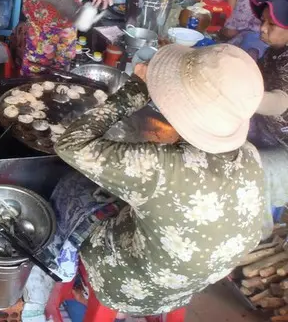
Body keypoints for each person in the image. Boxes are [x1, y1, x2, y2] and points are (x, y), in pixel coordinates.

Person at [52, 43, 266, 315]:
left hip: (125, 284)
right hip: (190, 286)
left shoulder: (160, 167)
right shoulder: (250, 154)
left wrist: (134, 91)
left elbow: (69, 145)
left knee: (71, 186)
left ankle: (65, 271)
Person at [249, 0, 288, 149]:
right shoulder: (274, 48)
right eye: (263, 21)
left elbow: (280, 102)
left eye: (272, 24)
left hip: (278, 137)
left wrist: (237, 98)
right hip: (261, 117)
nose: (263, 28)